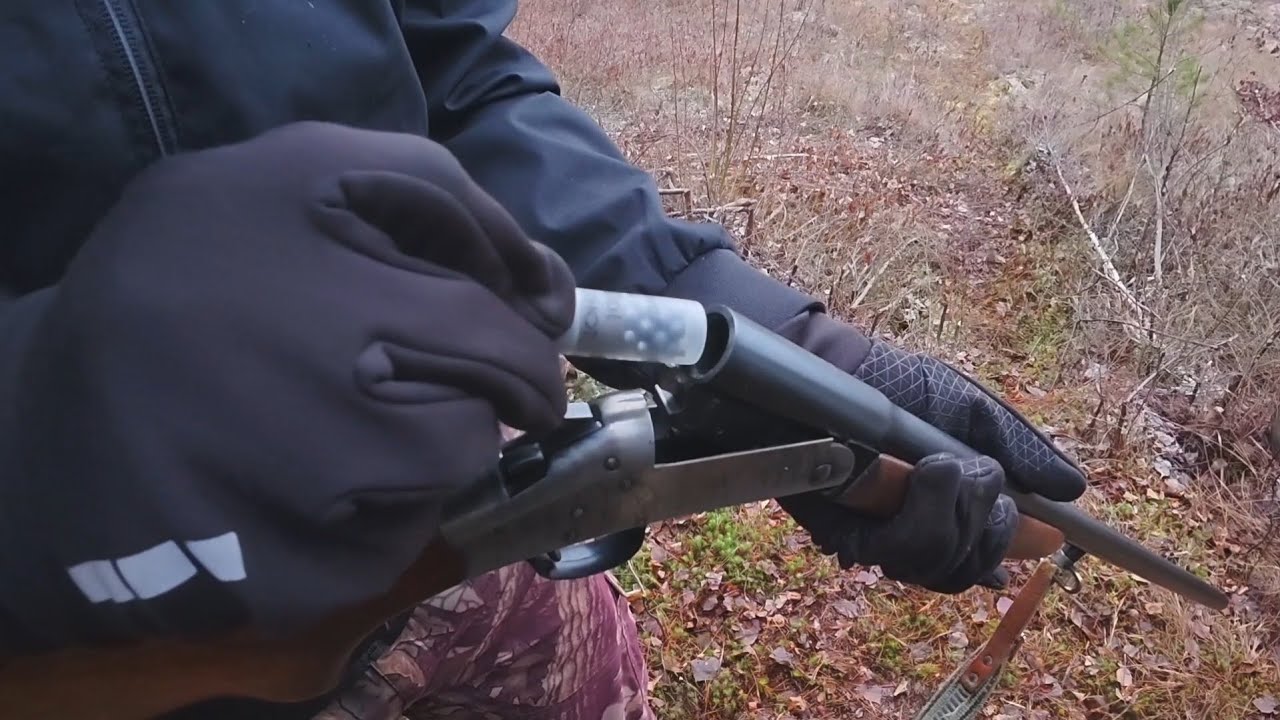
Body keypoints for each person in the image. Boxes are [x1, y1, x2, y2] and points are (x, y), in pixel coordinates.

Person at [0, 2, 1088, 719]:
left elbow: (461, 77)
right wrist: (42, 407)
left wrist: (762, 348)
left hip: (448, 522)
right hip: (76, 640)